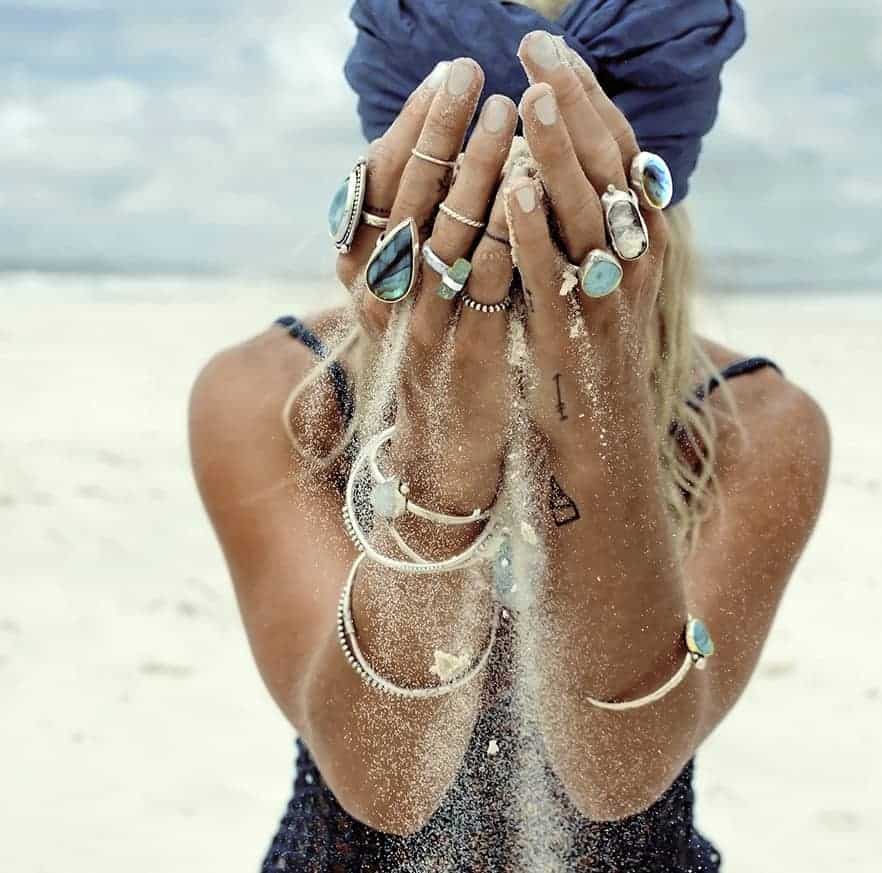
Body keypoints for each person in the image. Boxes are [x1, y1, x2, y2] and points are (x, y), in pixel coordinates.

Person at [190, 1, 831, 870]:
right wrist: (441, 442)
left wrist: (595, 406)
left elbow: (618, 772)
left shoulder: (755, 425)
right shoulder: (276, 396)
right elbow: (383, 782)